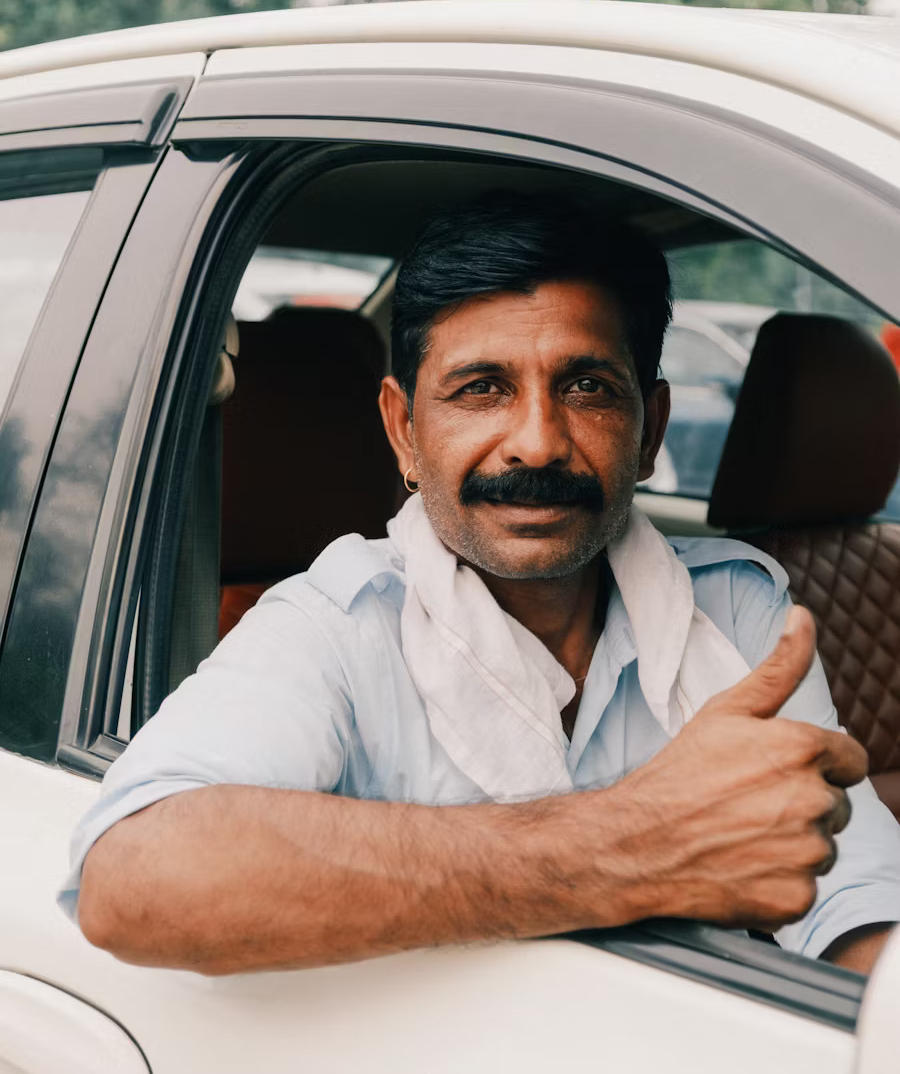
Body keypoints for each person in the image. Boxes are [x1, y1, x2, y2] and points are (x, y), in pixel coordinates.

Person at [64, 195, 900, 976]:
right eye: (481, 389)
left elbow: (854, 905)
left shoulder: (737, 609)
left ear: (652, 434)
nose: (536, 443)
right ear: (403, 431)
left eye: (586, 388)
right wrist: (629, 847)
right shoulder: (339, 625)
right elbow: (134, 872)